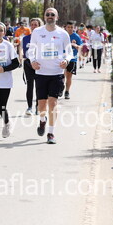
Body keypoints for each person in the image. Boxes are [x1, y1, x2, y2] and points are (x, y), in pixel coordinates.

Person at [27, 8, 73, 144]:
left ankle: (51, 133)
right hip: (41, 73)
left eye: (53, 14)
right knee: (41, 106)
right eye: (47, 14)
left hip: (56, 73)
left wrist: (66, 60)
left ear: (57, 17)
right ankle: (42, 120)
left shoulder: (63, 33)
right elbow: (31, 50)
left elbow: (69, 52)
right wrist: (32, 61)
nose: (50, 16)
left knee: (53, 103)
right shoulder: (37, 32)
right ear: (44, 17)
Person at [20, 17, 43, 115]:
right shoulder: (25, 38)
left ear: (39, 26)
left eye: (35, 25)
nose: (33, 27)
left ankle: (38, 106)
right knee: (30, 86)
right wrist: (21, 59)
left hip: (39, 64)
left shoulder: (43, 38)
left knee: (39, 86)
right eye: (32, 25)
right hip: (28, 64)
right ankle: (29, 107)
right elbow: (21, 50)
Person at [64, 20, 83, 100]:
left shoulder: (76, 36)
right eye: (68, 27)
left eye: (71, 27)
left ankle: (67, 91)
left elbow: (81, 46)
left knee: (69, 76)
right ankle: (60, 87)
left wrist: (75, 45)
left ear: (74, 28)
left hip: (72, 59)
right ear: (65, 27)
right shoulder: (62, 35)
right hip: (62, 58)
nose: (70, 29)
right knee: (61, 75)